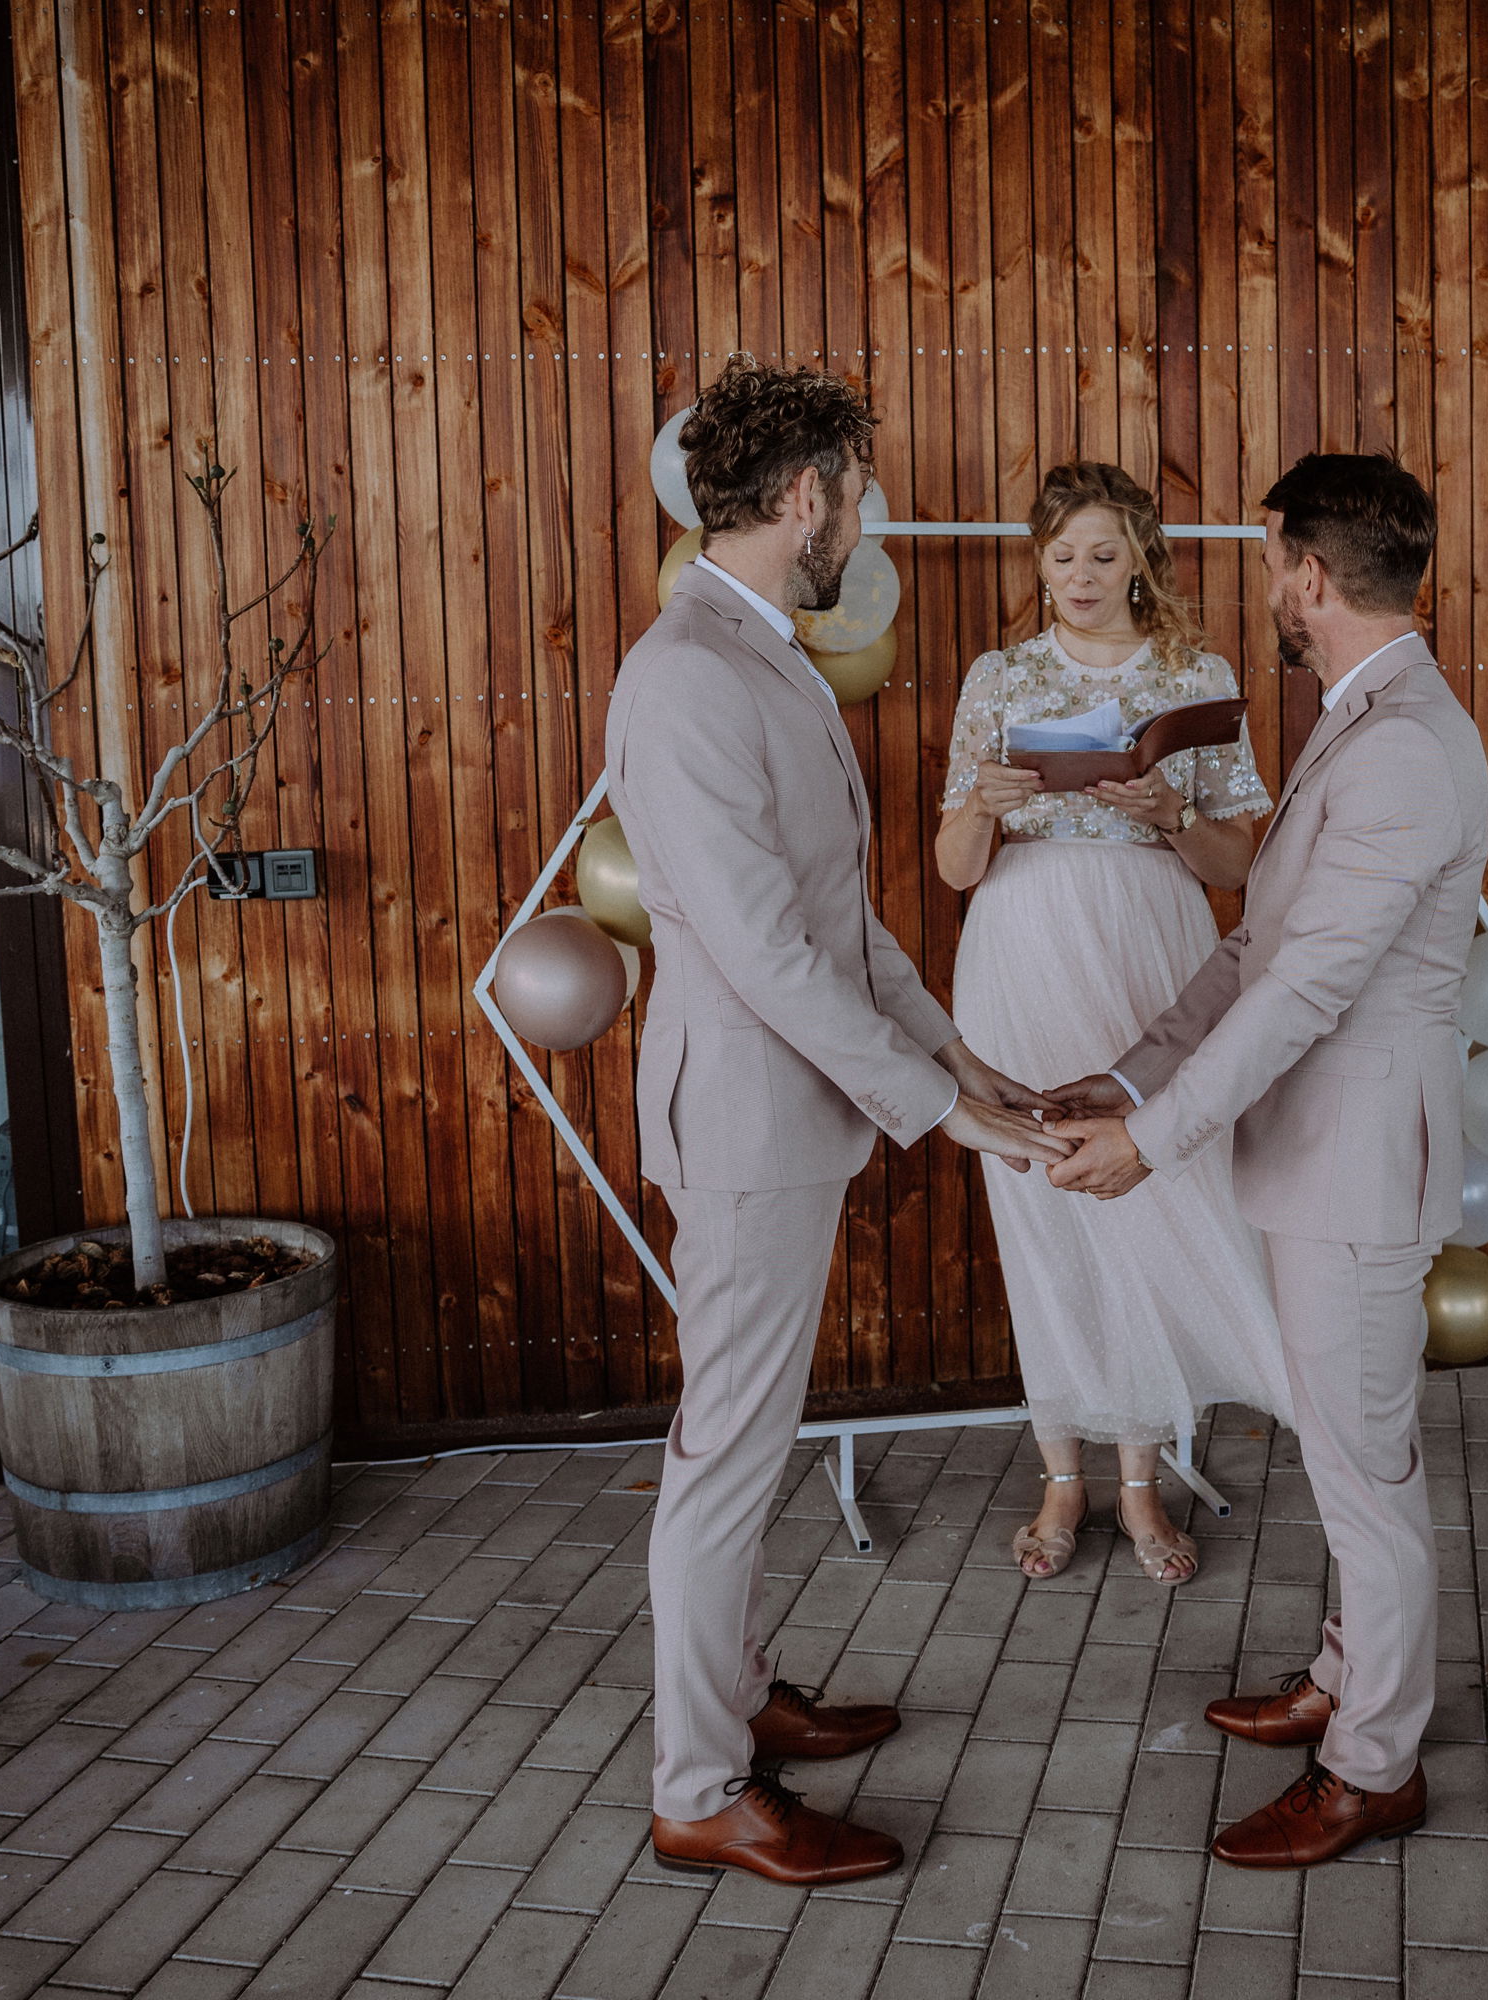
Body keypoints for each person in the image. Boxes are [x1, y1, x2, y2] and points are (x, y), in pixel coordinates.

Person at [606, 358, 1070, 1887]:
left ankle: (736, 1698)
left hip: (793, 1112)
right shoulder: (682, 675)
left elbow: (848, 923)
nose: (861, 516)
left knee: (743, 1436)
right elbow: (758, 951)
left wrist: (969, 1060)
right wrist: (941, 1110)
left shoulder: (766, 653)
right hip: (742, 1122)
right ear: (803, 496)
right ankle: (697, 1786)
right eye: (855, 490)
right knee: (726, 1451)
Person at [1047, 452, 1488, 1869]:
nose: (1271, 595)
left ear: (1310, 570)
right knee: (1353, 1458)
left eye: (1273, 568)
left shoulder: (1410, 743)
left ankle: (1375, 1764)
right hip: (1317, 1160)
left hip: (1359, 1172)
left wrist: (1150, 1143)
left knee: (1368, 1475)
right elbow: (1251, 950)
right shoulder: (1360, 718)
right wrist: (1125, 1074)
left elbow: (1306, 994)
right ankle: (1345, 1678)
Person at [936, 461, 1294, 1586]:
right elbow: (950, 869)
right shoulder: (998, 677)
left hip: (1153, 946)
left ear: (1141, 555)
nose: (1081, 575)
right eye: (1060, 554)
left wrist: (1173, 810)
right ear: (1036, 560)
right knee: (1042, 1196)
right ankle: (1060, 1471)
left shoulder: (1197, 674)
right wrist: (981, 810)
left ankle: (1141, 1478)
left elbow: (1248, 866)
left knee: (1151, 1193)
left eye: (1102, 553)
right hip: (1021, 942)